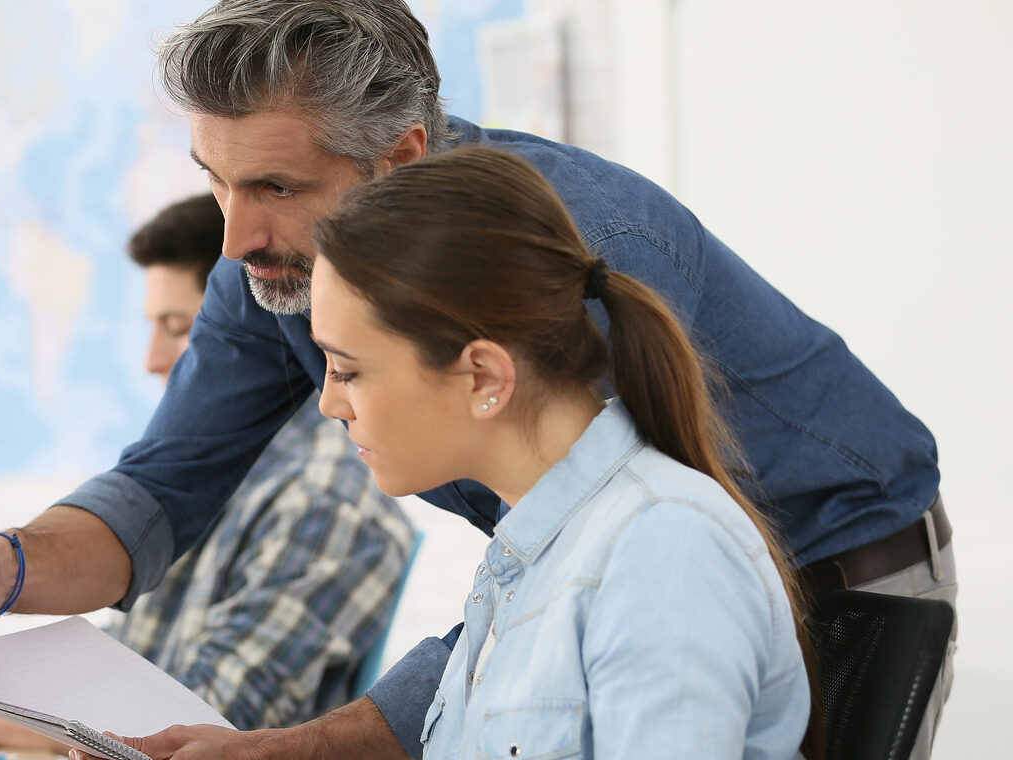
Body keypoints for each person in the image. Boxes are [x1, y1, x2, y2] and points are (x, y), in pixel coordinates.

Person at [0, 2, 953, 759]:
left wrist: (284, 751)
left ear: (397, 156)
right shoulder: (274, 267)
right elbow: (162, 487)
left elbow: (601, 585)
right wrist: (2, 565)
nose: (236, 234)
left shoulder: (575, 273)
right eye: (213, 183)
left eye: (274, 185)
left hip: (831, 565)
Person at [0, 194, 413, 748]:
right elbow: (138, 659)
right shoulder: (208, 487)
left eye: (183, 329)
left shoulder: (323, 502)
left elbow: (216, 718)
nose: (153, 360)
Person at [301, 146, 815, 757]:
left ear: (485, 378)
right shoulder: (529, 549)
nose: (330, 404)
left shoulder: (664, 551)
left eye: (348, 370)